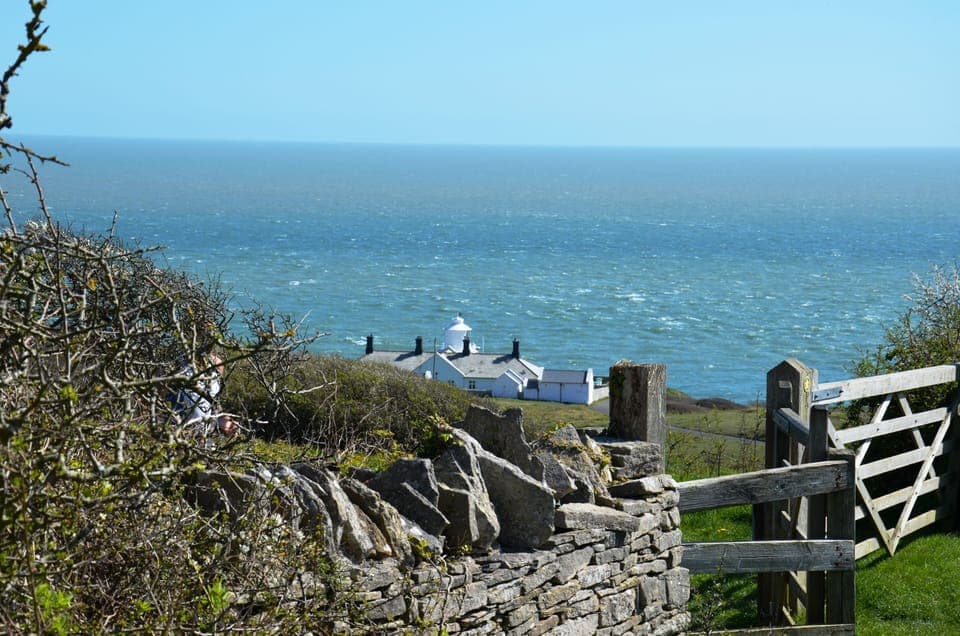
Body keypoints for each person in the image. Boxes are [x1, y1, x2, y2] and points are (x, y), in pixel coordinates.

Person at [171, 351, 238, 437]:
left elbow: (215, 403)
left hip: (201, 433)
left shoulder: (216, 364)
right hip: (181, 429)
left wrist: (224, 420)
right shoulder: (176, 361)